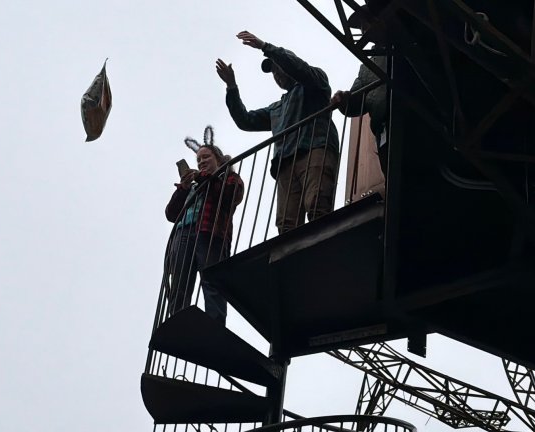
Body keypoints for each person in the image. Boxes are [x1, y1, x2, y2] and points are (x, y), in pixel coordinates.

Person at [216, 31, 339, 234]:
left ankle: (324, 255)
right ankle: (295, 264)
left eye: (278, 67)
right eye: (273, 72)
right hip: (285, 164)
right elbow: (245, 120)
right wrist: (231, 87)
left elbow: (300, 69)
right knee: (286, 224)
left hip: (314, 149)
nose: (277, 74)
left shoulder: (315, 82)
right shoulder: (277, 109)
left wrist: (265, 47)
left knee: (318, 207)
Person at [165, 127, 244, 324]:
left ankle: (215, 324)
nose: (201, 162)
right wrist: (183, 188)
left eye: (206, 157)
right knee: (180, 284)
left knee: (212, 282)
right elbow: (171, 214)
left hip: (210, 234)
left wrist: (203, 178)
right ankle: (177, 323)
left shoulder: (228, 177)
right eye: (199, 159)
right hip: (184, 233)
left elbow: (230, 196)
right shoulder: (193, 185)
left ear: (217, 158)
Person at [332, 1, 390, 174]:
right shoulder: (367, 66)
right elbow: (355, 103)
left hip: (412, 120)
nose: (364, 30)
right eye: (361, 27)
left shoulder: (404, 43)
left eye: (365, 23)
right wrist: (343, 100)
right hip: (384, 131)